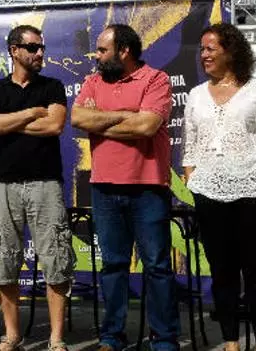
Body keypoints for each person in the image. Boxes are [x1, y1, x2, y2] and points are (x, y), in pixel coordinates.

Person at [182, 24, 256, 351]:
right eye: (202, 49)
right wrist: (192, 177)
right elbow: (190, 145)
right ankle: (231, 343)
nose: (204, 55)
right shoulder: (195, 95)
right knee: (222, 272)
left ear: (231, 51)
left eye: (210, 48)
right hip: (210, 194)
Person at [70, 24, 181, 351]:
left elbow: (147, 126)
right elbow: (78, 118)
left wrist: (101, 121)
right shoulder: (93, 81)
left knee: (157, 266)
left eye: (103, 50)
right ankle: (112, 336)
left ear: (124, 51)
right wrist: (127, 118)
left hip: (148, 188)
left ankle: (164, 338)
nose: (97, 56)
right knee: (113, 265)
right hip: (104, 188)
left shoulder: (156, 79)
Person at [0, 25, 74, 351]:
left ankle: (56, 338)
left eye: (41, 47)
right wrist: (30, 114)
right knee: (4, 258)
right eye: (32, 47)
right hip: (3, 185)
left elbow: (55, 125)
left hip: (45, 183)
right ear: (14, 50)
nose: (39, 53)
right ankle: (12, 336)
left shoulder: (52, 86)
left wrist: (9, 122)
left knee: (56, 259)